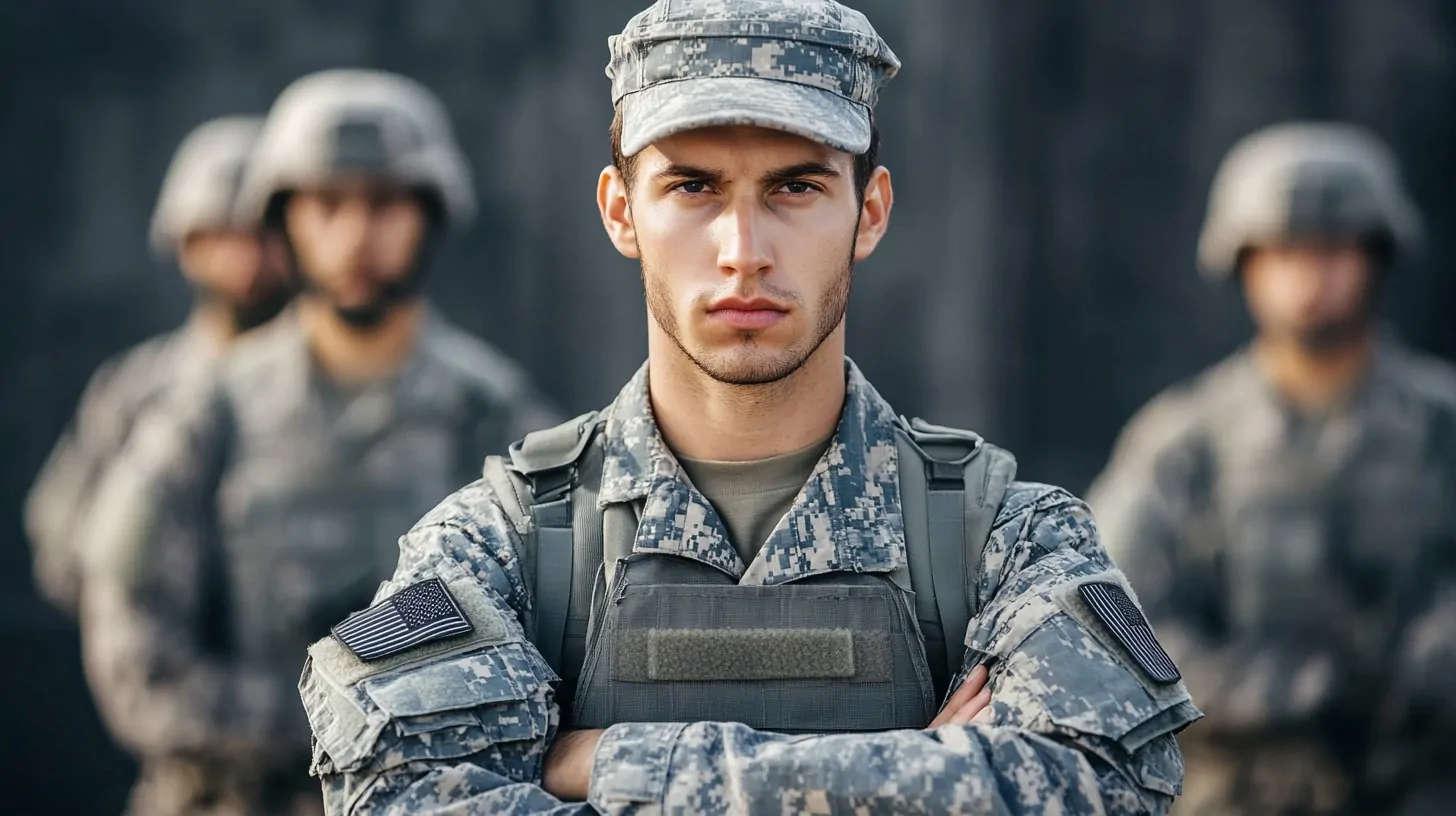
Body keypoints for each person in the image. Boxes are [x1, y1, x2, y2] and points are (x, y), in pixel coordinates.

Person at [297, 3, 1202, 813]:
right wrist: (919, 772)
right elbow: (401, 796)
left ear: (871, 212)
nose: (742, 251)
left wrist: (608, 762)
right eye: (692, 187)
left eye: (795, 187)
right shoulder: (509, 541)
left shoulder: (1000, 535)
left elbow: (1105, 787)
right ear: (620, 212)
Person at [78, 70, 560, 816]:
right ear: (284, 220)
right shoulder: (206, 407)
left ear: (430, 215)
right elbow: (135, 654)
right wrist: (330, 716)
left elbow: (557, 647)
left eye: (385, 204)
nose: (355, 236)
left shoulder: (490, 414)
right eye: (327, 205)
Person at [1088, 122, 1456, 815]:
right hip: (1236, 791)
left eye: (1333, 250)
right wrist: (1273, 689)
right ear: (1244, 264)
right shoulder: (1184, 442)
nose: (1310, 278)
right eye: (1285, 252)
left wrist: (1420, 669)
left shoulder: (1441, 427)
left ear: (1375, 256)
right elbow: (1108, 611)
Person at [25, 115, 293, 617]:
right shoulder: (136, 388)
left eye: (265, 234)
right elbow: (62, 547)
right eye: (219, 236)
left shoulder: (341, 387)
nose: (246, 260)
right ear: (185, 245)